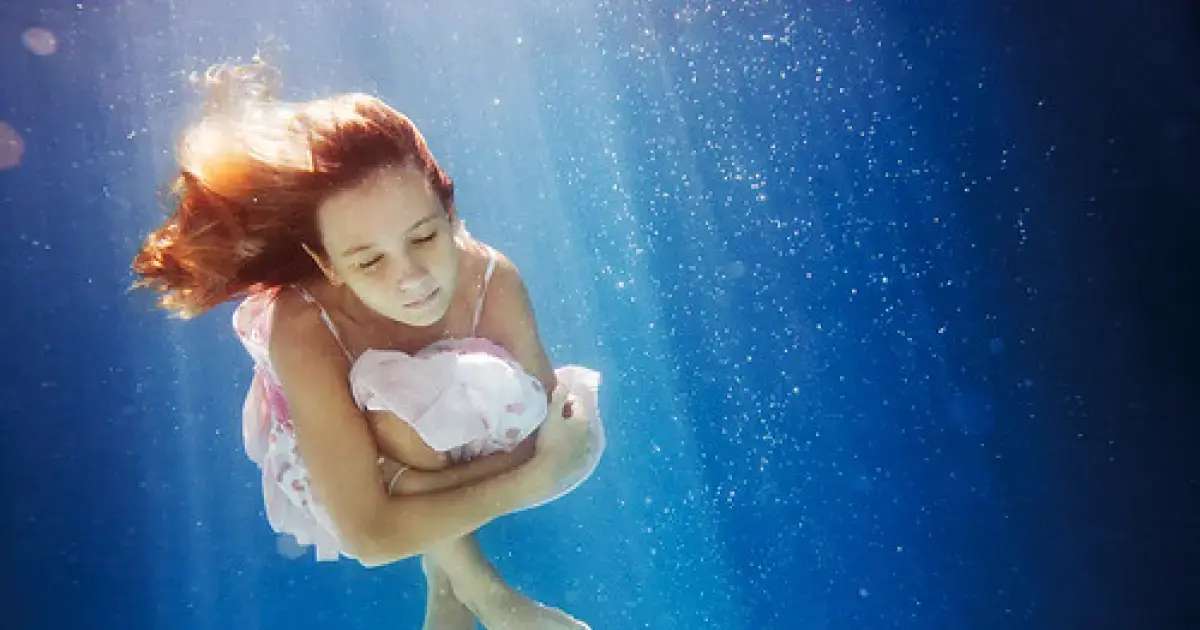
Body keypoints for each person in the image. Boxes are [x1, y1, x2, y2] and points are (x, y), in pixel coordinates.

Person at [129, 60, 604, 630]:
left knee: (479, 406)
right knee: (403, 416)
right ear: (327, 264)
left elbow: (548, 435)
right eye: (369, 261)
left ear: (451, 213)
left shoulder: (493, 280)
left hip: (420, 455)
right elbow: (372, 536)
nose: (411, 278)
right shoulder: (300, 328)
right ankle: (480, 589)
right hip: (330, 452)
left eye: (425, 236)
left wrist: (425, 487)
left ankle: (447, 578)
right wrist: (533, 483)